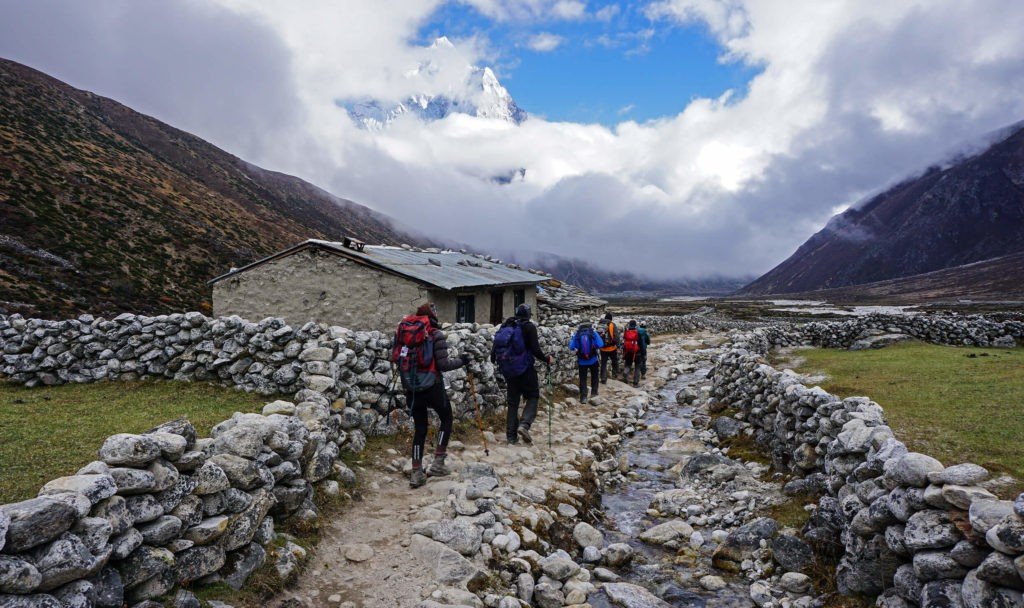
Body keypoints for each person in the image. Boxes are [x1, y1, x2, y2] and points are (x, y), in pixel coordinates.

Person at [393, 302, 468, 489]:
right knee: (446, 418)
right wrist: (462, 361)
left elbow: (395, 358)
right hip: (432, 386)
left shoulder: (403, 334)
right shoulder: (434, 335)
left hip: (411, 387)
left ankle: (417, 472)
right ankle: (437, 463)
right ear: (432, 316)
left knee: (420, 428)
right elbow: (443, 365)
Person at [491, 303, 551, 445]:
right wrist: (547, 359)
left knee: (513, 402)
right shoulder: (528, 327)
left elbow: (493, 353)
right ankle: (524, 425)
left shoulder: (506, 326)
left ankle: (511, 437)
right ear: (528, 315)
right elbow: (535, 349)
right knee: (533, 395)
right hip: (525, 368)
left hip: (509, 371)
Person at [569, 321, 603, 404]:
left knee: (583, 379)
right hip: (593, 360)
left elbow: (571, 347)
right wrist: (594, 347)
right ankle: (594, 393)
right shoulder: (593, 333)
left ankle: (583, 397)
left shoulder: (578, 334)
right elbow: (600, 344)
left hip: (582, 361)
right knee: (594, 376)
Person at [596, 312, 620, 384]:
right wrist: (617, 346)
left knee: (603, 363)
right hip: (612, 348)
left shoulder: (600, 324)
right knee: (614, 361)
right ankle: (614, 375)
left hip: (603, 348)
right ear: (611, 319)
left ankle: (603, 378)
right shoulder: (612, 325)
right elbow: (616, 336)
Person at [622, 320, 642, 387]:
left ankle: (625, 373)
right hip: (636, 352)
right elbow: (641, 343)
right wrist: (642, 352)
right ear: (635, 325)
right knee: (637, 367)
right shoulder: (637, 332)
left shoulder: (626, 332)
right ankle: (635, 383)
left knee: (628, 365)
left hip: (628, 351)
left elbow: (624, 341)